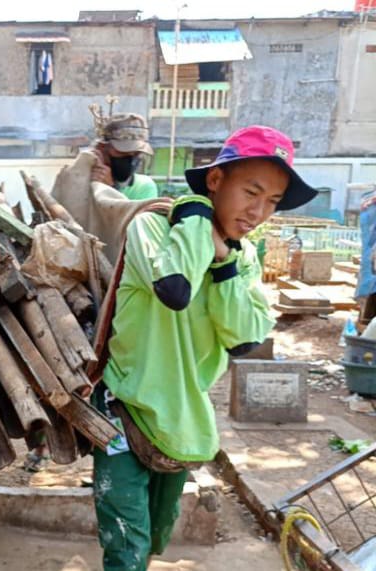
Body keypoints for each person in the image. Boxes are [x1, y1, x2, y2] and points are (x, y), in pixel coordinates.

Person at [92, 125, 317, 570]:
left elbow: (246, 338)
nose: (258, 212)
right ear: (215, 181)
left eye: (272, 201)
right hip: (123, 405)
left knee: (157, 531)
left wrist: (224, 262)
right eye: (251, 192)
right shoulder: (152, 229)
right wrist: (195, 219)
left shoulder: (243, 257)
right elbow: (174, 288)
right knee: (125, 544)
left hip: (182, 420)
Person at [50, 106, 168, 262]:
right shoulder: (76, 177)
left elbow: (130, 232)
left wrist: (108, 189)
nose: (131, 159)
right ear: (102, 148)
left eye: (136, 154)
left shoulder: (145, 186)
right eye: (123, 154)